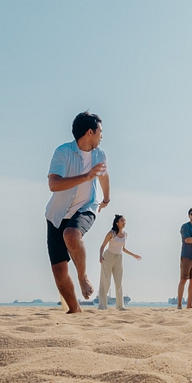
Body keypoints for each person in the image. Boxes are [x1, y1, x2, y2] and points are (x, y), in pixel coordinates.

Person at [46, 112, 109, 313]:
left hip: (86, 207)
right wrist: (86, 176)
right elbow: (53, 184)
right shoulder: (63, 152)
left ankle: (83, 276)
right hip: (56, 215)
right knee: (59, 270)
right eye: (100, 131)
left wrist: (106, 199)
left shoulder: (100, 155)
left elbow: (103, 177)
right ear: (90, 132)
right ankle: (75, 311)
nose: (102, 135)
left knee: (72, 234)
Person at [97, 214, 141, 310]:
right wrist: (100, 256)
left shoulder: (125, 234)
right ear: (117, 223)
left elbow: (123, 248)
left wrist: (134, 255)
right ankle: (102, 306)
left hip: (119, 257)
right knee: (106, 281)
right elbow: (102, 246)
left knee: (118, 282)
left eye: (124, 220)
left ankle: (120, 306)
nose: (124, 222)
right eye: (122, 221)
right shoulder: (111, 233)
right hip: (108, 257)